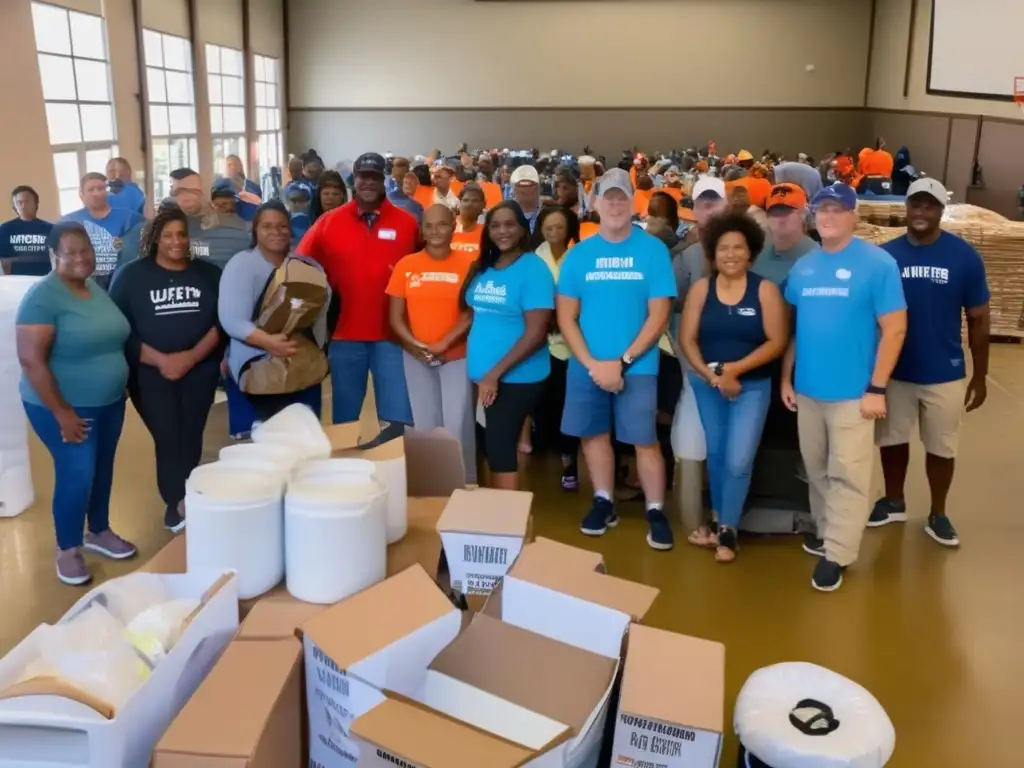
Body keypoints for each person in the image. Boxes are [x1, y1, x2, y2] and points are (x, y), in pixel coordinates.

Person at [781, 182, 907, 592]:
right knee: (816, 469)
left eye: (838, 209)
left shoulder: (878, 264)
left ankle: (838, 552)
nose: (828, 216)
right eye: (822, 209)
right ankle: (826, 530)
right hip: (809, 390)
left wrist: (877, 388)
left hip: (855, 394)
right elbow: (798, 330)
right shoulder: (804, 268)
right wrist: (787, 377)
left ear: (854, 215)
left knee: (848, 475)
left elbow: (895, 329)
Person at [556, 168, 678, 550]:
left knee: (644, 440)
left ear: (632, 202)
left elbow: (659, 316)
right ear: (594, 203)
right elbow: (566, 317)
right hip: (587, 365)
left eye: (621, 196)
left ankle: (656, 509)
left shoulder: (653, 251)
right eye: (607, 196)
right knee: (593, 436)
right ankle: (603, 499)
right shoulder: (580, 256)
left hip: (637, 365)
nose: (614, 204)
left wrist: (622, 362)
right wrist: (593, 364)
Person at [871, 178, 990, 547]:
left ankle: (938, 513)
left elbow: (979, 318)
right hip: (896, 371)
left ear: (941, 211)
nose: (921, 213)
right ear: (906, 208)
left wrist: (980, 375)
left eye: (929, 206)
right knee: (892, 439)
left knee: (941, 446)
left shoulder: (963, 256)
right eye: (915, 205)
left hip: (944, 371)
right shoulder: (885, 256)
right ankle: (894, 501)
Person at [15, 222, 135, 585]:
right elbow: (31, 361)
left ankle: (97, 530)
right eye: (70, 252)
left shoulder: (94, 289)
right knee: (77, 473)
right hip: (62, 405)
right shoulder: (43, 297)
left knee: (102, 467)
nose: (81, 258)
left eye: (86, 250)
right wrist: (62, 412)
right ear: (54, 256)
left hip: (109, 402)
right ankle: (67, 548)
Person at [679, 213, 788, 562]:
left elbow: (777, 341)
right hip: (707, 384)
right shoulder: (701, 290)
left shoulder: (765, 290)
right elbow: (687, 340)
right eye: (723, 248)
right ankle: (720, 523)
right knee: (717, 453)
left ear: (751, 253)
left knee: (739, 459)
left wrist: (733, 372)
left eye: (738, 248)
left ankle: (727, 527)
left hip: (751, 387)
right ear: (713, 253)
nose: (730, 254)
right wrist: (712, 377)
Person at [109, 207, 222, 534]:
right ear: (156, 238)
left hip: (199, 372)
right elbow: (120, 327)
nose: (177, 241)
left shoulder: (209, 274)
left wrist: (190, 357)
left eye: (182, 234)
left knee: (191, 436)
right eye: (169, 235)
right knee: (168, 436)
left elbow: (221, 322)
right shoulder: (131, 275)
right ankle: (176, 504)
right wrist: (161, 360)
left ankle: (188, 495)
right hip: (149, 375)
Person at [298, 152, 418, 429]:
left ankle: (394, 470)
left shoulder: (408, 223)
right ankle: (345, 470)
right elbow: (299, 266)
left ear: (383, 180)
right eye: (363, 176)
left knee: (397, 419)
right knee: (345, 420)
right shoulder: (328, 222)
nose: (368, 183)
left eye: (375, 177)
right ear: (354, 180)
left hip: (393, 337)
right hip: (344, 336)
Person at [464, 201, 554, 490]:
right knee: (491, 448)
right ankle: (500, 520)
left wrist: (494, 374)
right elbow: (473, 315)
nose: (502, 231)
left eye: (509, 224)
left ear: (522, 229)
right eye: (495, 225)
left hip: (516, 377)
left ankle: (507, 524)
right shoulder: (484, 267)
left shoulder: (533, 269)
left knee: (501, 449)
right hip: (484, 378)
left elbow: (537, 332)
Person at [387, 205, 476, 482]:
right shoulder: (406, 265)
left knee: (457, 424)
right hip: (416, 358)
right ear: (421, 230)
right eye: (428, 225)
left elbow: (471, 312)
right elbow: (395, 317)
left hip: (457, 357)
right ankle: (431, 486)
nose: (435, 231)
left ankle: (464, 484)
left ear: (453, 226)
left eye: (442, 225)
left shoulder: (470, 265)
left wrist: (443, 344)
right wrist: (416, 345)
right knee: (424, 424)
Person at [220, 200, 329, 422]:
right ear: (255, 230)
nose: (276, 232)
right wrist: (269, 343)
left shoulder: (305, 264)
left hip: (302, 364)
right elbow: (232, 320)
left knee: (306, 441)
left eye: (282, 226)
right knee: (264, 444)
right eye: (267, 226)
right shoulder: (241, 264)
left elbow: (321, 312)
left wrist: (316, 350)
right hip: (257, 365)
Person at [533, 205, 582, 490]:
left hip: (570, 343)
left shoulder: (578, 257)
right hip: (539, 343)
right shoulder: (532, 258)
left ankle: (569, 459)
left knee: (567, 403)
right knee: (543, 404)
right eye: (548, 228)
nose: (553, 233)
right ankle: (544, 447)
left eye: (559, 228)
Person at [62, 173, 145, 288]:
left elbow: (146, 237)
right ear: (81, 194)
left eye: (100, 188)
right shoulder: (69, 221)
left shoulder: (129, 217)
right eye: (91, 189)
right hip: (84, 284)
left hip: (120, 282)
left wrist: (126, 244)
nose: (96, 193)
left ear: (106, 191)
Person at [167, 168, 250, 269]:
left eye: (193, 192)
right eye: (179, 192)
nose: (186, 197)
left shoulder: (239, 229)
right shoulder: (166, 226)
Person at [752, 183, 817, 285]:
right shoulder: (755, 252)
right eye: (775, 213)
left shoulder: (816, 258)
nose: (780, 220)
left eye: (787, 212)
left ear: (803, 214)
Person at [0, 185, 53, 276]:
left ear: (36, 203)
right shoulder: (5, 229)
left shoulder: (50, 229)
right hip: (15, 280)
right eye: (19, 203)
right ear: (14, 207)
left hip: (44, 278)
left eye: (27, 201)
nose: (23, 206)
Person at [225, 154, 263, 221]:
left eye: (230, 165)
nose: (227, 168)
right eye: (226, 166)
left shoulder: (254, 188)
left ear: (239, 167)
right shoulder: (224, 190)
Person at [452, 183, 485, 257]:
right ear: (459, 202)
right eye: (465, 200)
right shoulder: (448, 227)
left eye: (475, 201)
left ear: (483, 205)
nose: (469, 204)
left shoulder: (487, 233)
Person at [510, 165, 542, 233]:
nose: (525, 190)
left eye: (530, 185)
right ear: (513, 189)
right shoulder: (505, 213)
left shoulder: (549, 213)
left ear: (538, 187)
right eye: (521, 185)